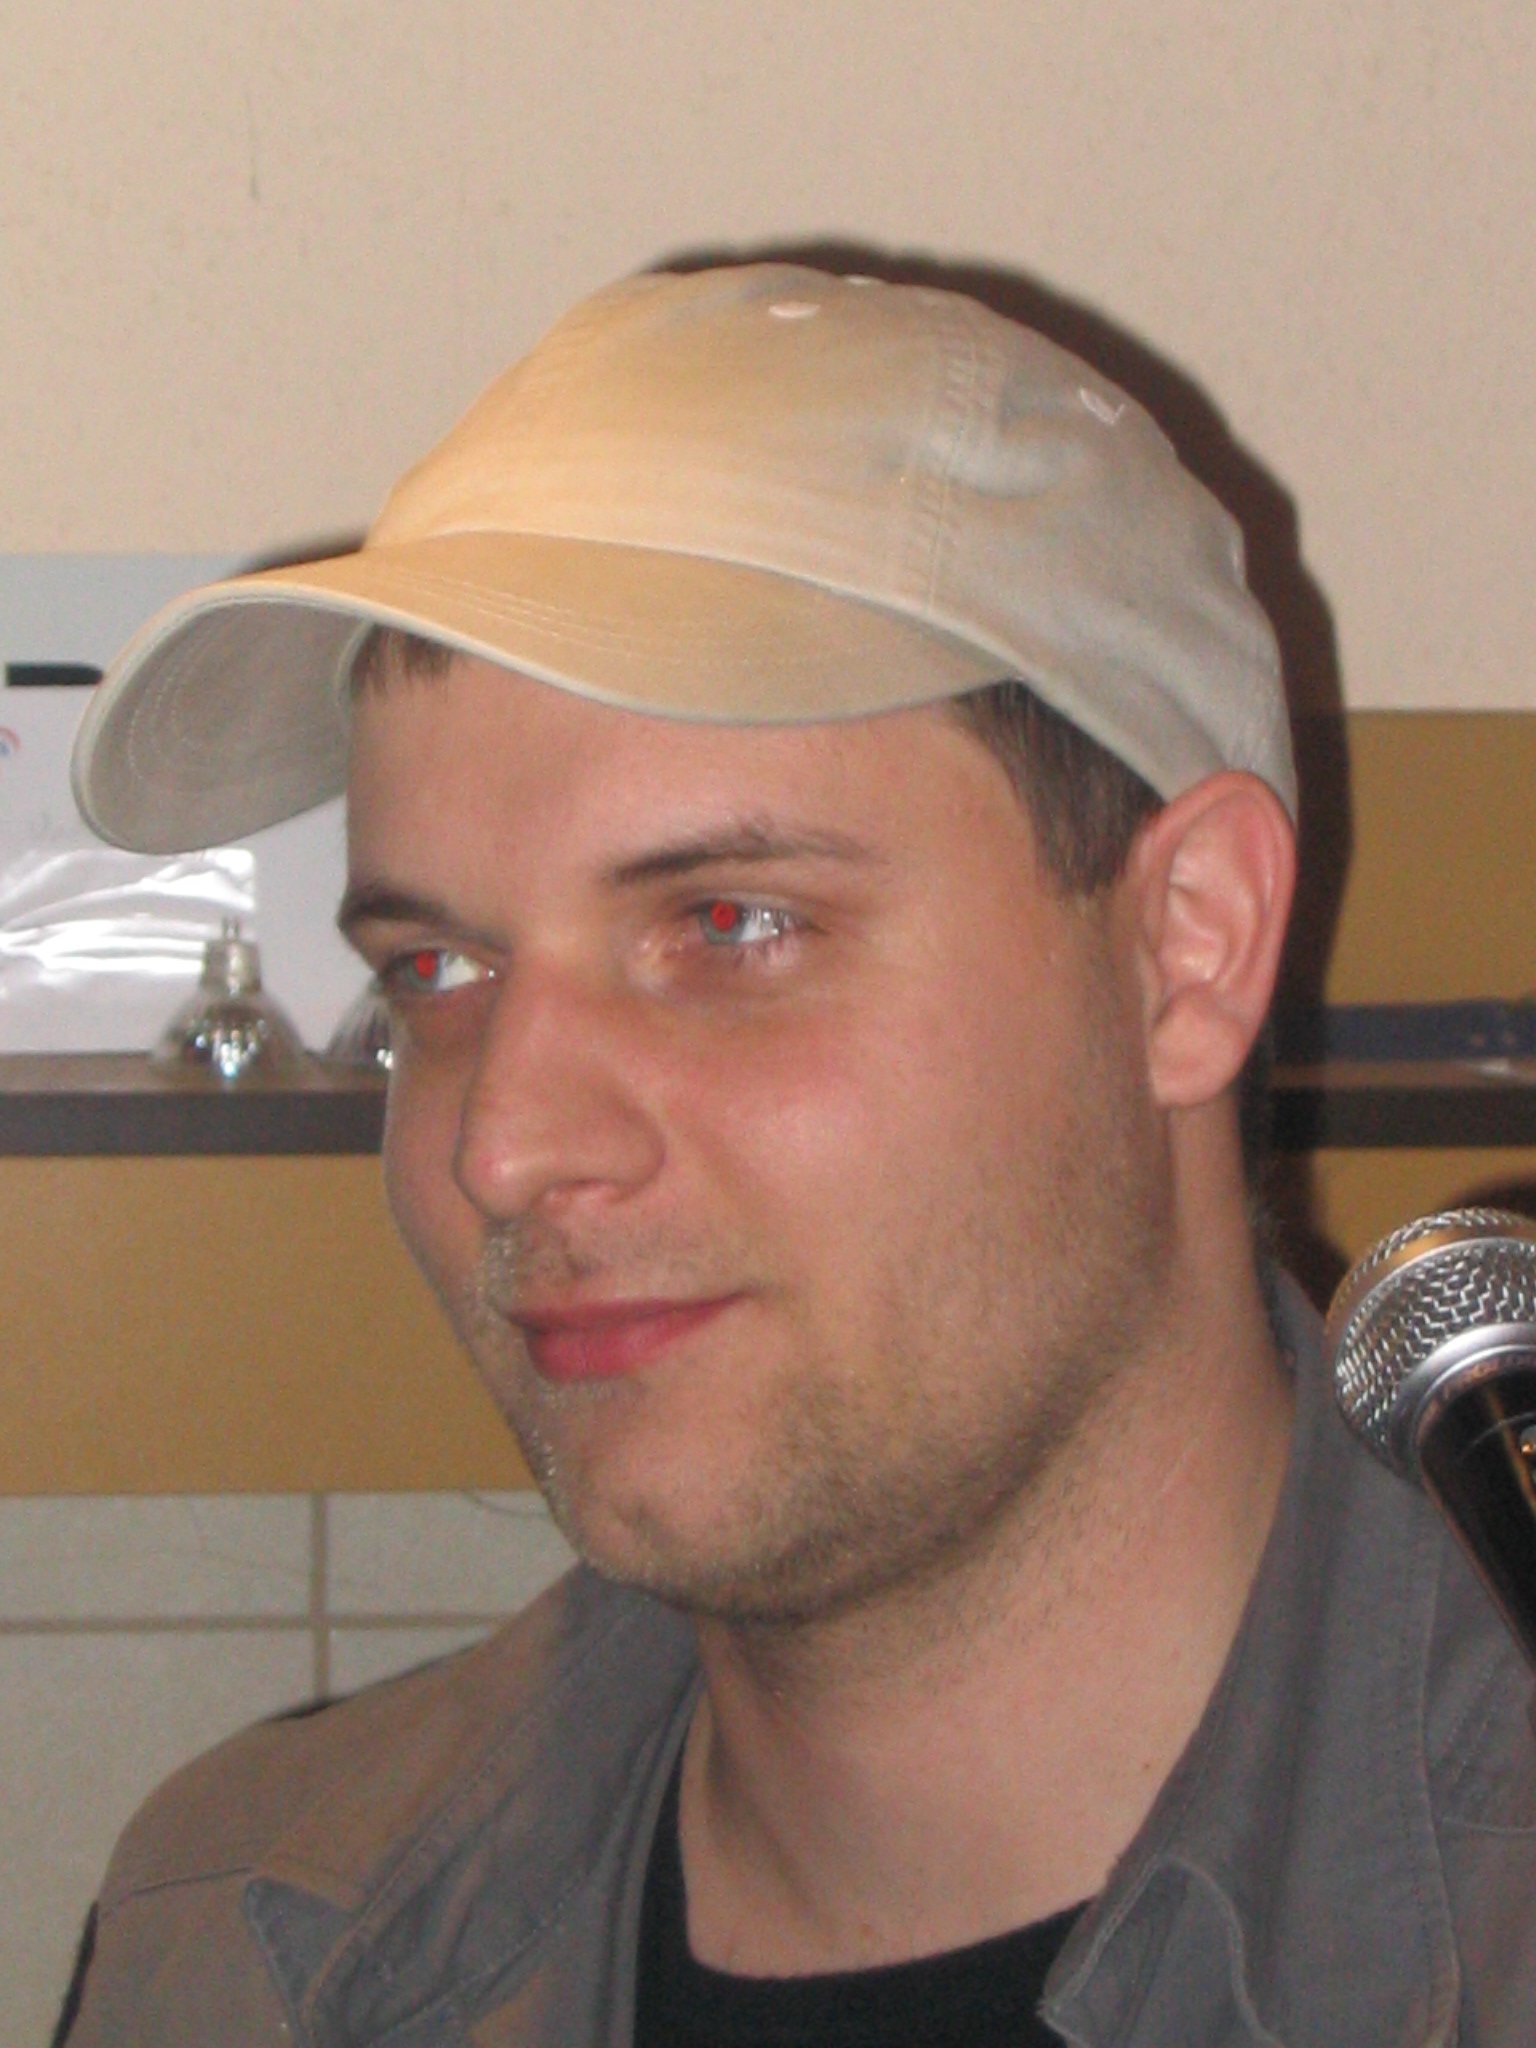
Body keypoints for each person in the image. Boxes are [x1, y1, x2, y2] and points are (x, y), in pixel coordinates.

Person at [61, 264, 1536, 2046]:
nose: (506, 1147)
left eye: (730, 923)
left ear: (1187, 946)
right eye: (434, 972)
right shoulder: (244, 1945)